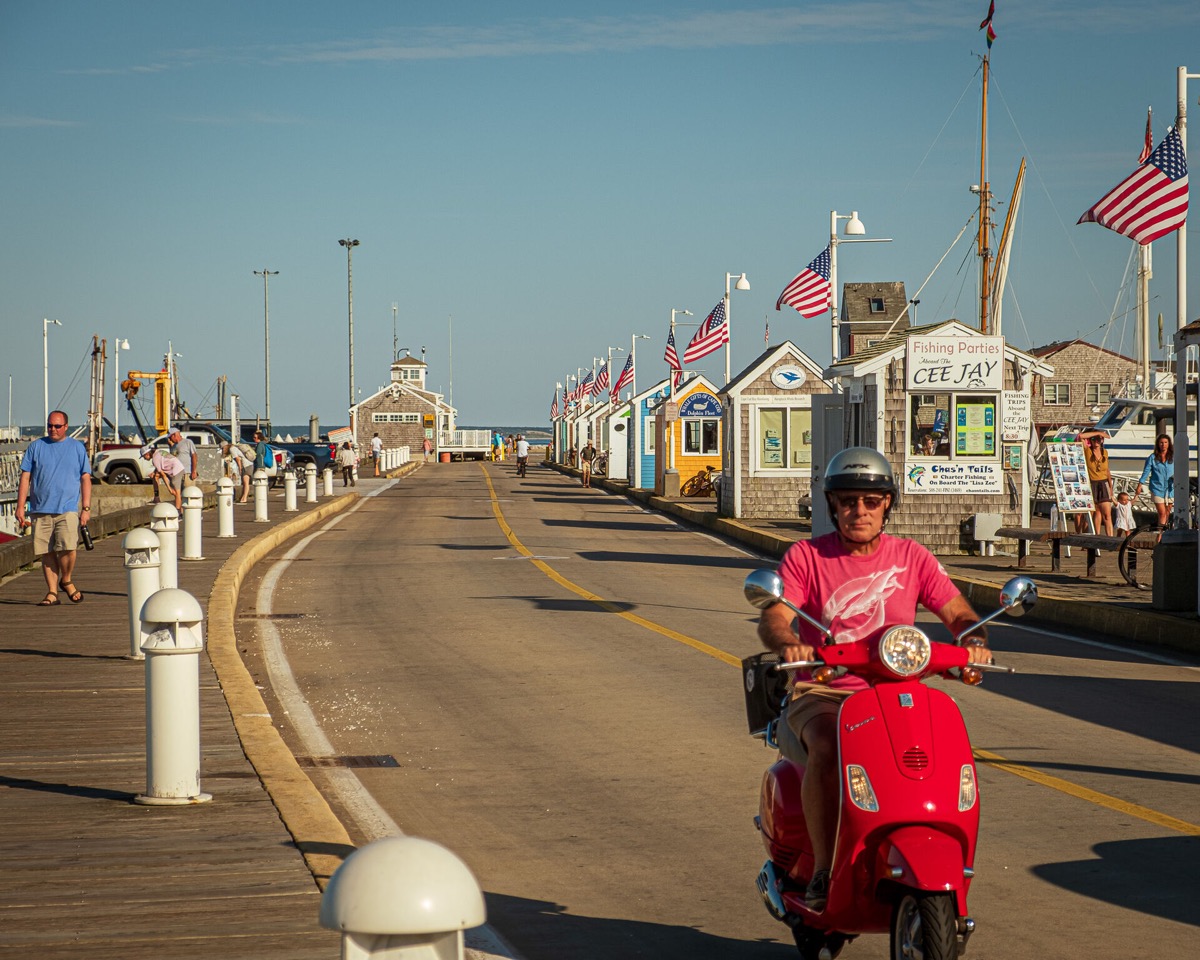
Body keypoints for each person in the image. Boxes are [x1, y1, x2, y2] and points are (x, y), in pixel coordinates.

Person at [755, 447, 993, 911]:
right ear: (832, 506)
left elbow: (958, 612)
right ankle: (824, 869)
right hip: (822, 690)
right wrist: (789, 644)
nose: (858, 511)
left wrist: (973, 642)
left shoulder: (912, 557)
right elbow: (776, 617)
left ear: (888, 504)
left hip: (897, 692)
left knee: (943, 748)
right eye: (847, 501)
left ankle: (942, 856)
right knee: (827, 746)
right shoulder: (807, 556)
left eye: (869, 500)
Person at [15, 410, 92, 606]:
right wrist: (20, 507)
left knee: (68, 547)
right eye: (50, 425)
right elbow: (25, 477)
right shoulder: (36, 447)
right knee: (46, 552)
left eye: (57, 426)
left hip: (66, 508)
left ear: (66, 427)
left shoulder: (77, 448)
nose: (53, 429)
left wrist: (86, 507)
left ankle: (66, 579)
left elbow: (85, 478)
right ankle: (52, 592)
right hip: (40, 508)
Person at [1135, 433, 1174, 527]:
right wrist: (1140, 485)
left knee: (1167, 514)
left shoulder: (1173, 457)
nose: (1163, 445)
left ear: (1169, 444)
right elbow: (1146, 472)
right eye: (1161, 443)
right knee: (1162, 513)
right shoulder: (1152, 458)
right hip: (1157, 488)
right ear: (1158, 444)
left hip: (1170, 489)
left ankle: (1162, 533)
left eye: (1165, 442)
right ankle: (1160, 536)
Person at [1083, 433, 1114, 536]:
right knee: (1092, 513)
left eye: (1099, 439)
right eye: (1094, 439)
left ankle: (1110, 540)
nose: (1097, 440)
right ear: (1091, 440)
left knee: (1107, 515)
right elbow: (1080, 436)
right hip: (1092, 483)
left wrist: (1111, 487)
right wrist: (1098, 433)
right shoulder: (1088, 451)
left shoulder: (1105, 452)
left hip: (1103, 482)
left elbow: (1107, 471)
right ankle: (1094, 537)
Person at [143, 444, 186, 510]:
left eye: (144, 457)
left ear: (147, 454)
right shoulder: (158, 452)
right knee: (155, 476)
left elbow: (163, 475)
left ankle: (179, 512)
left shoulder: (154, 459)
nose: (144, 459)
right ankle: (156, 497)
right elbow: (161, 467)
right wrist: (154, 473)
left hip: (175, 471)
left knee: (177, 493)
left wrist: (169, 489)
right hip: (179, 468)